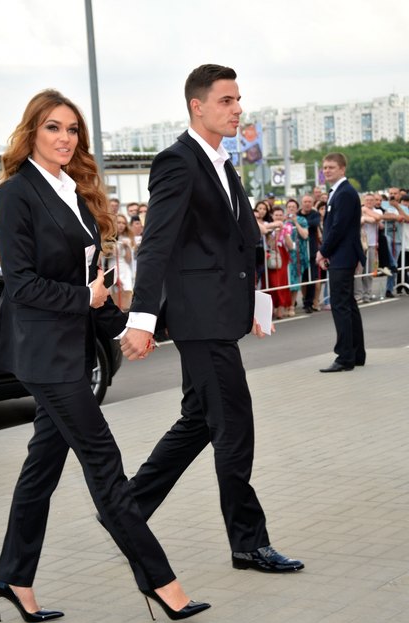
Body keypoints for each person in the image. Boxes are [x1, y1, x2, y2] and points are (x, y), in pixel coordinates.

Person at [0, 89, 210, 623]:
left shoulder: (73, 190)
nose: (65, 139)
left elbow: (91, 285)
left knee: (41, 468)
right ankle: (161, 582)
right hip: (44, 353)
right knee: (105, 465)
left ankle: (13, 577)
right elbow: (20, 284)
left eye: (72, 130)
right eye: (53, 129)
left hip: (73, 345)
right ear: (31, 134)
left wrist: (132, 326)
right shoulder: (17, 193)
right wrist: (84, 300)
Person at [119, 64, 304, 574]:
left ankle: (125, 510)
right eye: (226, 100)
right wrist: (143, 318)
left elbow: (238, 243)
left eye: (239, 99)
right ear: (197, 106)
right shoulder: (178, 162)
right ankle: (248, 542)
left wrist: (256, 304)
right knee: (234, 427)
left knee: (199, 420)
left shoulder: (223, 163)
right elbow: (156, 243)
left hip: (221, 315)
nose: (238, 109)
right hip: (200, 322)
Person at [316, 152, 366, 372]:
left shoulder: (344, 193)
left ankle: (345, 356)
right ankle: (356, 354)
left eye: (331, 167)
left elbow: (338, 228)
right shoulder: (339, 192)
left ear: (342, 169)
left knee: (340, 305)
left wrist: (322, 251)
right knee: (348, 305)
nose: (327, 171)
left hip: (342, 255)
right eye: (325, 167)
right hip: (342, 254)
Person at [264, 206, 294, 319]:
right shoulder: (269, 228)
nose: (278, 217)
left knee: (281, 283)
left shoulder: (287, 227)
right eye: (276, 215)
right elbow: (269, 244)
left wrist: (284, 233)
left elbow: (291, 246)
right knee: (272, 283)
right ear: (272, 216)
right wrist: (274, 234)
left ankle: (282, 306)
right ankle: (272, 307)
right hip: (272, 255)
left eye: (280, 215)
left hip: (282, 255)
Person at [285, 198, 309, 317]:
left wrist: (296, 222)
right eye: (289, 207)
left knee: (295, 281)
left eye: (293, 207)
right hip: (285, 255)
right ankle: (285, 304)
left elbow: (305, 235)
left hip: (298, 255)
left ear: (297, 208)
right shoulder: (283, 221)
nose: (291, 209)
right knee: (285, 281)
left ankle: (292, 305)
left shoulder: (302, 220)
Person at [298, 194, 321, 313]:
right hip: (299, 251)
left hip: (311, 250)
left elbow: (313, 224)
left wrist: (300, 223)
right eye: (305, 201)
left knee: (311, 277)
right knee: (303, 278)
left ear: (312, 203)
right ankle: (303, 299)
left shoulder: (315, 214)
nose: (307, 204)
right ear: (302, 203)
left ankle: (309, 302)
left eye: (309, 202)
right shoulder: (297, 214)